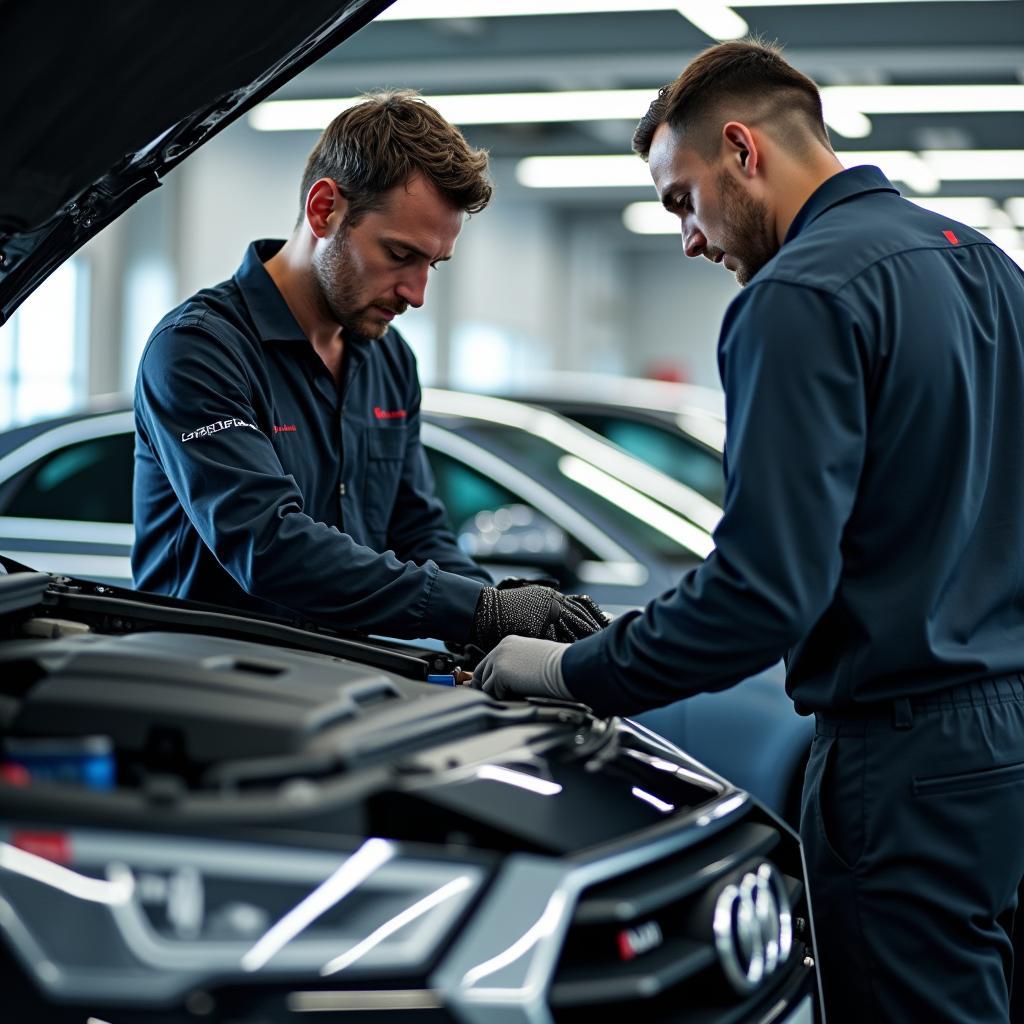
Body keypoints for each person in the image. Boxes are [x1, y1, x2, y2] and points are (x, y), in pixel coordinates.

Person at [473, 40, 1024, 1024]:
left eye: (681, 199)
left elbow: (759, 596)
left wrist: (567, 672)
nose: (685, 237)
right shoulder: (986, 265)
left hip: (900, 756)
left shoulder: (795, 297)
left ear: (739, 149)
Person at [132, 90, 605, 650]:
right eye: (400, 255)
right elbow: (269, 546)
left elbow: (416, 528)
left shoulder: (389, 357)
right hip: (204, 691)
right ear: (324, 209)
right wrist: (478, 610)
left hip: (345, 686)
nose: (417, 292)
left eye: (433, 264)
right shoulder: (199, 349)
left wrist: (498, 626)